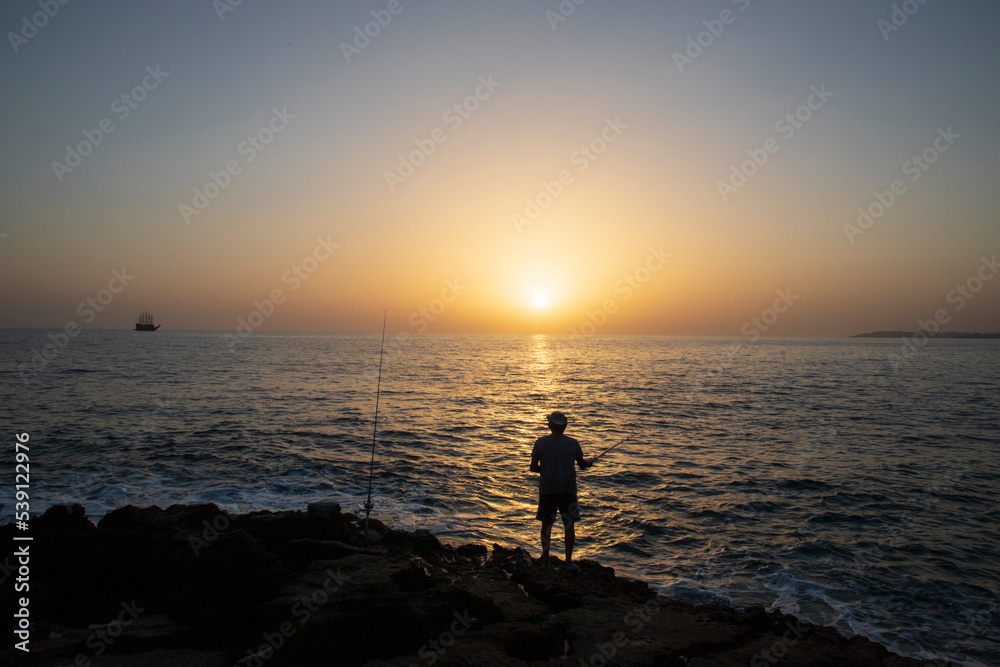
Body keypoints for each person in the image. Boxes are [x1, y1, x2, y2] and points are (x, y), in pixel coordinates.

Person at [530, 410, 593, 572]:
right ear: (565, 425)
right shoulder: (573, 443)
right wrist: (590, 461)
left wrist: (545, 469)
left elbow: (533, 468)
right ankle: (568, 562)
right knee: (569, 525)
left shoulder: (540, 442)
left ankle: (545, 561)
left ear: (549, 425)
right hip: (568, 490)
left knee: (546, 525)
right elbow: (582, 465)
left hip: (547, 490)